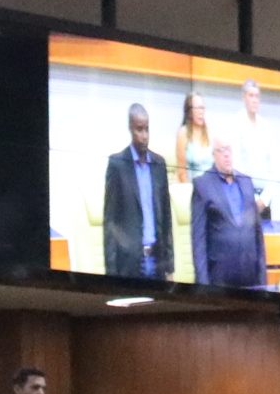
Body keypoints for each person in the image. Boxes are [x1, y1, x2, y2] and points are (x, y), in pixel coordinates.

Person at [100, 105, 175, 281]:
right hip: (129, 262)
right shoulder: (117, 164)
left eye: (147, 129)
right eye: (139, 130)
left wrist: (170, 267)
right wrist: (110, 273)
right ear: (130, 128)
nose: (144, 136)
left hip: (157, 260)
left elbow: (166, 216)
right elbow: (110, 221)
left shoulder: (158, 164)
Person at [189, 141, 267, 290]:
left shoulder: (246, 181)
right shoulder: (202, 184)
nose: (227, 155)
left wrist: (262, 278)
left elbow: (258, 234)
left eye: (229, 150)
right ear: (213, 154)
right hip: (219, 277)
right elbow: (198, 240)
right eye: (222, 150)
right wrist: (202, 286)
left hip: (250, 275)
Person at [173, 92, 214, 179]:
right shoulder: (183, 133)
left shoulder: (210, 134)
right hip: (192, 184)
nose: (200, 112)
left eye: (202, 108)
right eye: (197, 108)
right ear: (189, 111)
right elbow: (181, 172)